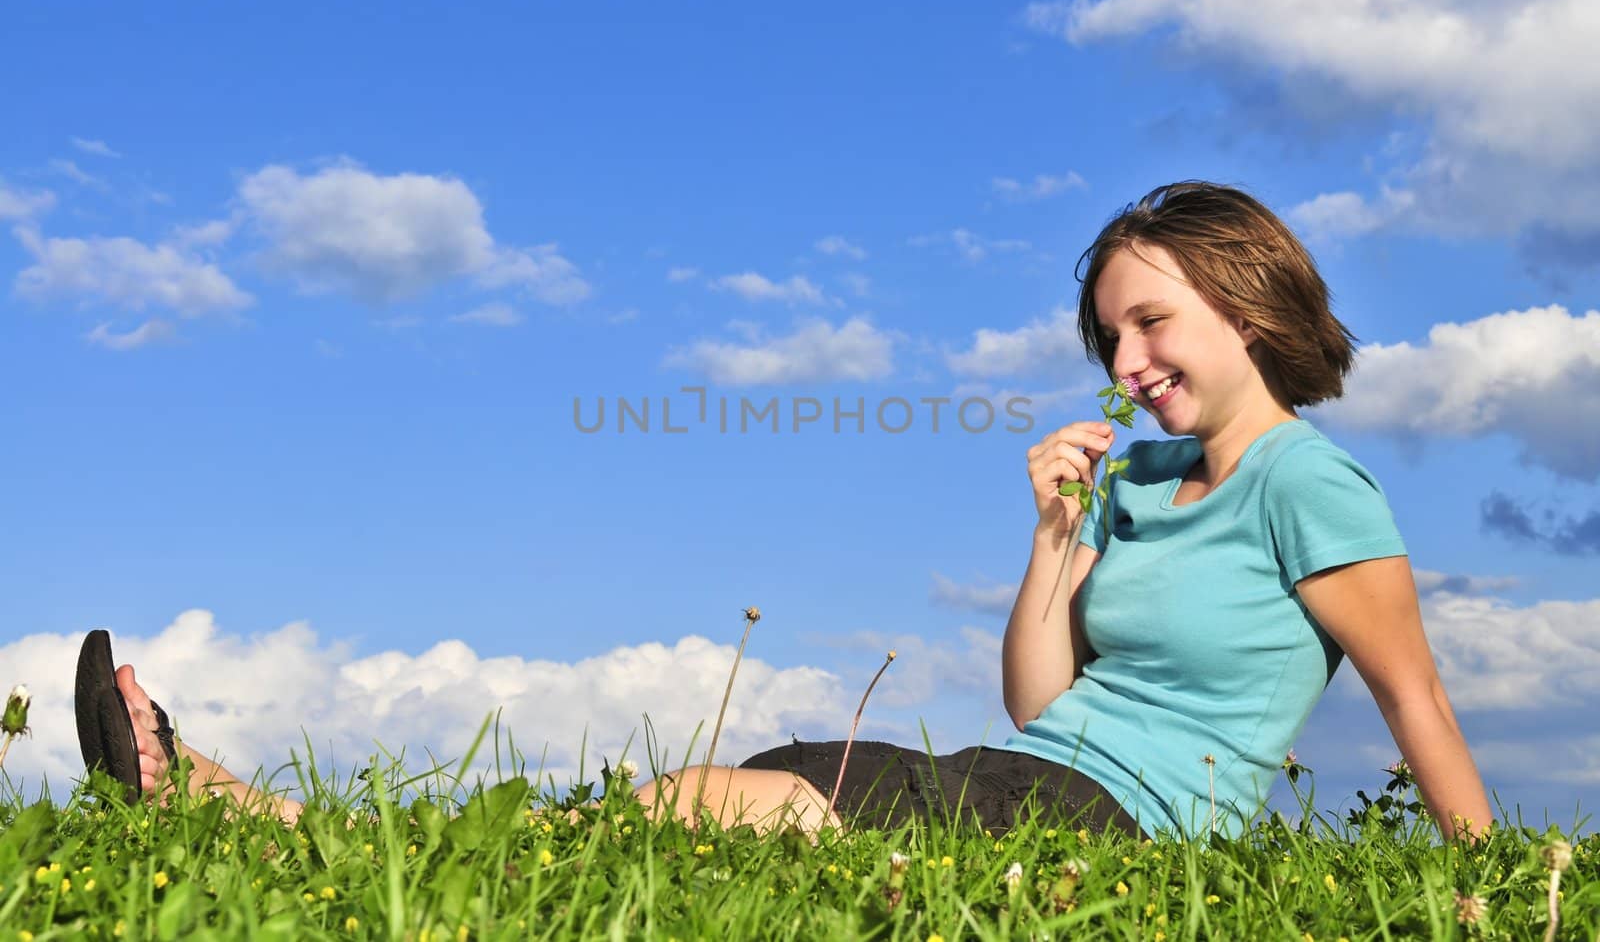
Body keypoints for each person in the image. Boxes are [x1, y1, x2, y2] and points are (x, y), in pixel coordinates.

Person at [78, 181, 1491, 842]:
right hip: (1038, 775)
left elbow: (1413, 704)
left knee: (709, 810)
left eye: (1149, 325)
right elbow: (1040, 703)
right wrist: (1052, 542)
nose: (1124, 367)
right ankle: (273, 816)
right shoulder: (1129, 481)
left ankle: (248, 815)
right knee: (716, 786)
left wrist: (1488, 895)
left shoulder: (1315, 484)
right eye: (1107, 340)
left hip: (1122, 829)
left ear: (1248, 303)